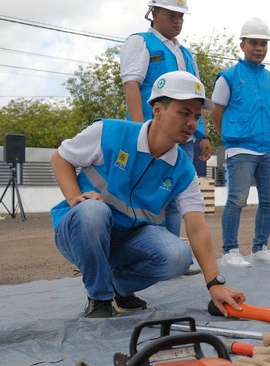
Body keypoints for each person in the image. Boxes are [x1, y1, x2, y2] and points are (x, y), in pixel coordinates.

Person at [50, 71, 245, 318]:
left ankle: (118, 288)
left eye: (196, 116)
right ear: (158, 109)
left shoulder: (184, 169)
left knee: (178, 255)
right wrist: (73, 198)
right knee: (92, 211)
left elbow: (197, 228)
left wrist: (215, 283)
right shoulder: (110, 133)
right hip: (80, 233)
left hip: (128, 241)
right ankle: (99, 299)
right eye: (184, 113)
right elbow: (60, 158)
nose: (192, 124)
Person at [120, 0, 212, 239]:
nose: (177, 20)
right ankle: (143, 252)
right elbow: (132, 86)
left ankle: (171, 252)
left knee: (174, 193)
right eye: (172, 14)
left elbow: (196, 100)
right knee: (148, 193)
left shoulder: (186, 54)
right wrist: (138, 130)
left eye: (181, 15)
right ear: (154, 13)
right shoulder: (140, 42)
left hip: (183, 137)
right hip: (152, 135)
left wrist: (201, 135)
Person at [210, 18, 270, 268]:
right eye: (254, 43)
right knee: (237, 200)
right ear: (242, 45)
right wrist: (230, 139)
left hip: (268, 149)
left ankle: (260, 247)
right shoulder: (228, 77)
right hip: (241, 148)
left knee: (269, 201)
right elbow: (215, 113)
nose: (259, 48)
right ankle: (230, 250)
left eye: (263, 43)